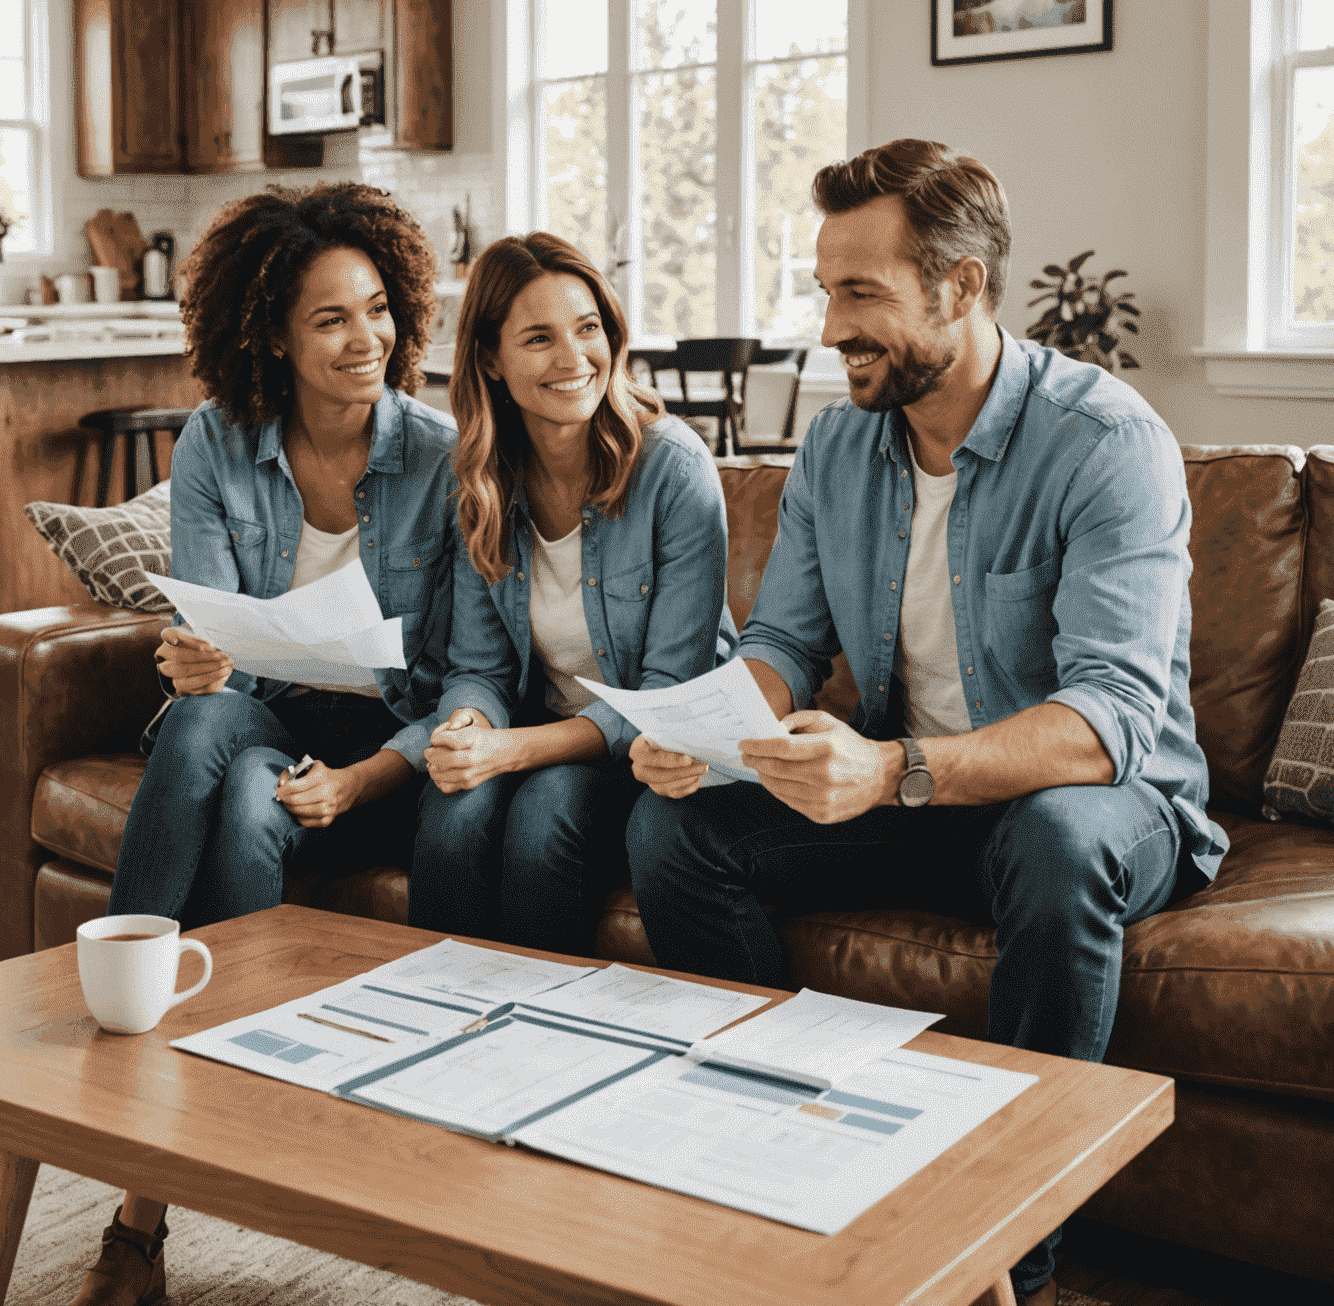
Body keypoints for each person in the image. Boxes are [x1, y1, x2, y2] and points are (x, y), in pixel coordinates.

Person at [625, 139, 1227, 1306]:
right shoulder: (840, 440)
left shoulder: (1106, 444)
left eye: (862, 294)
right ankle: (787, 1159)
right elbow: (786, 647)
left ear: (959, 286)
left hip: (1108, 805)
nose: (829, 327)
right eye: (825, 290)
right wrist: (706, 731)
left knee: (1055, 840)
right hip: (918, 794)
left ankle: (1007, 1258)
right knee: (675, 836)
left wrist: (891, 770)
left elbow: (1106, 723)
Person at [73, 182, 456, 1306]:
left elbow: (463, 677)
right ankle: (165, 1054)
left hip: (387, 741)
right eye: (330, 319)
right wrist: (201, 659)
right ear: (273, 337)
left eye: (377, 308)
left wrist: (362, 772)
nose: (364, 339)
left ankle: (138, 1179)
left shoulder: (438, 456)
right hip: (262, 706)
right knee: (201, 721)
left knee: (246, 799)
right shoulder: (218, 441)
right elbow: (211, 630)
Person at [407, 232, 736, 954]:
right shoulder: (484, 486)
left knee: (545, 808)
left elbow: (666, 697)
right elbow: (480, 667)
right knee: (451, 804)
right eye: (538, 338)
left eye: (587, 329)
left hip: (660, 759)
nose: (572, 359)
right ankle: (429, 1022)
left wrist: (508, 750)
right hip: (537, 741)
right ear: (491, 360)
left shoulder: (673, 471)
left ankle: (544, 1040)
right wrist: (467, 724)